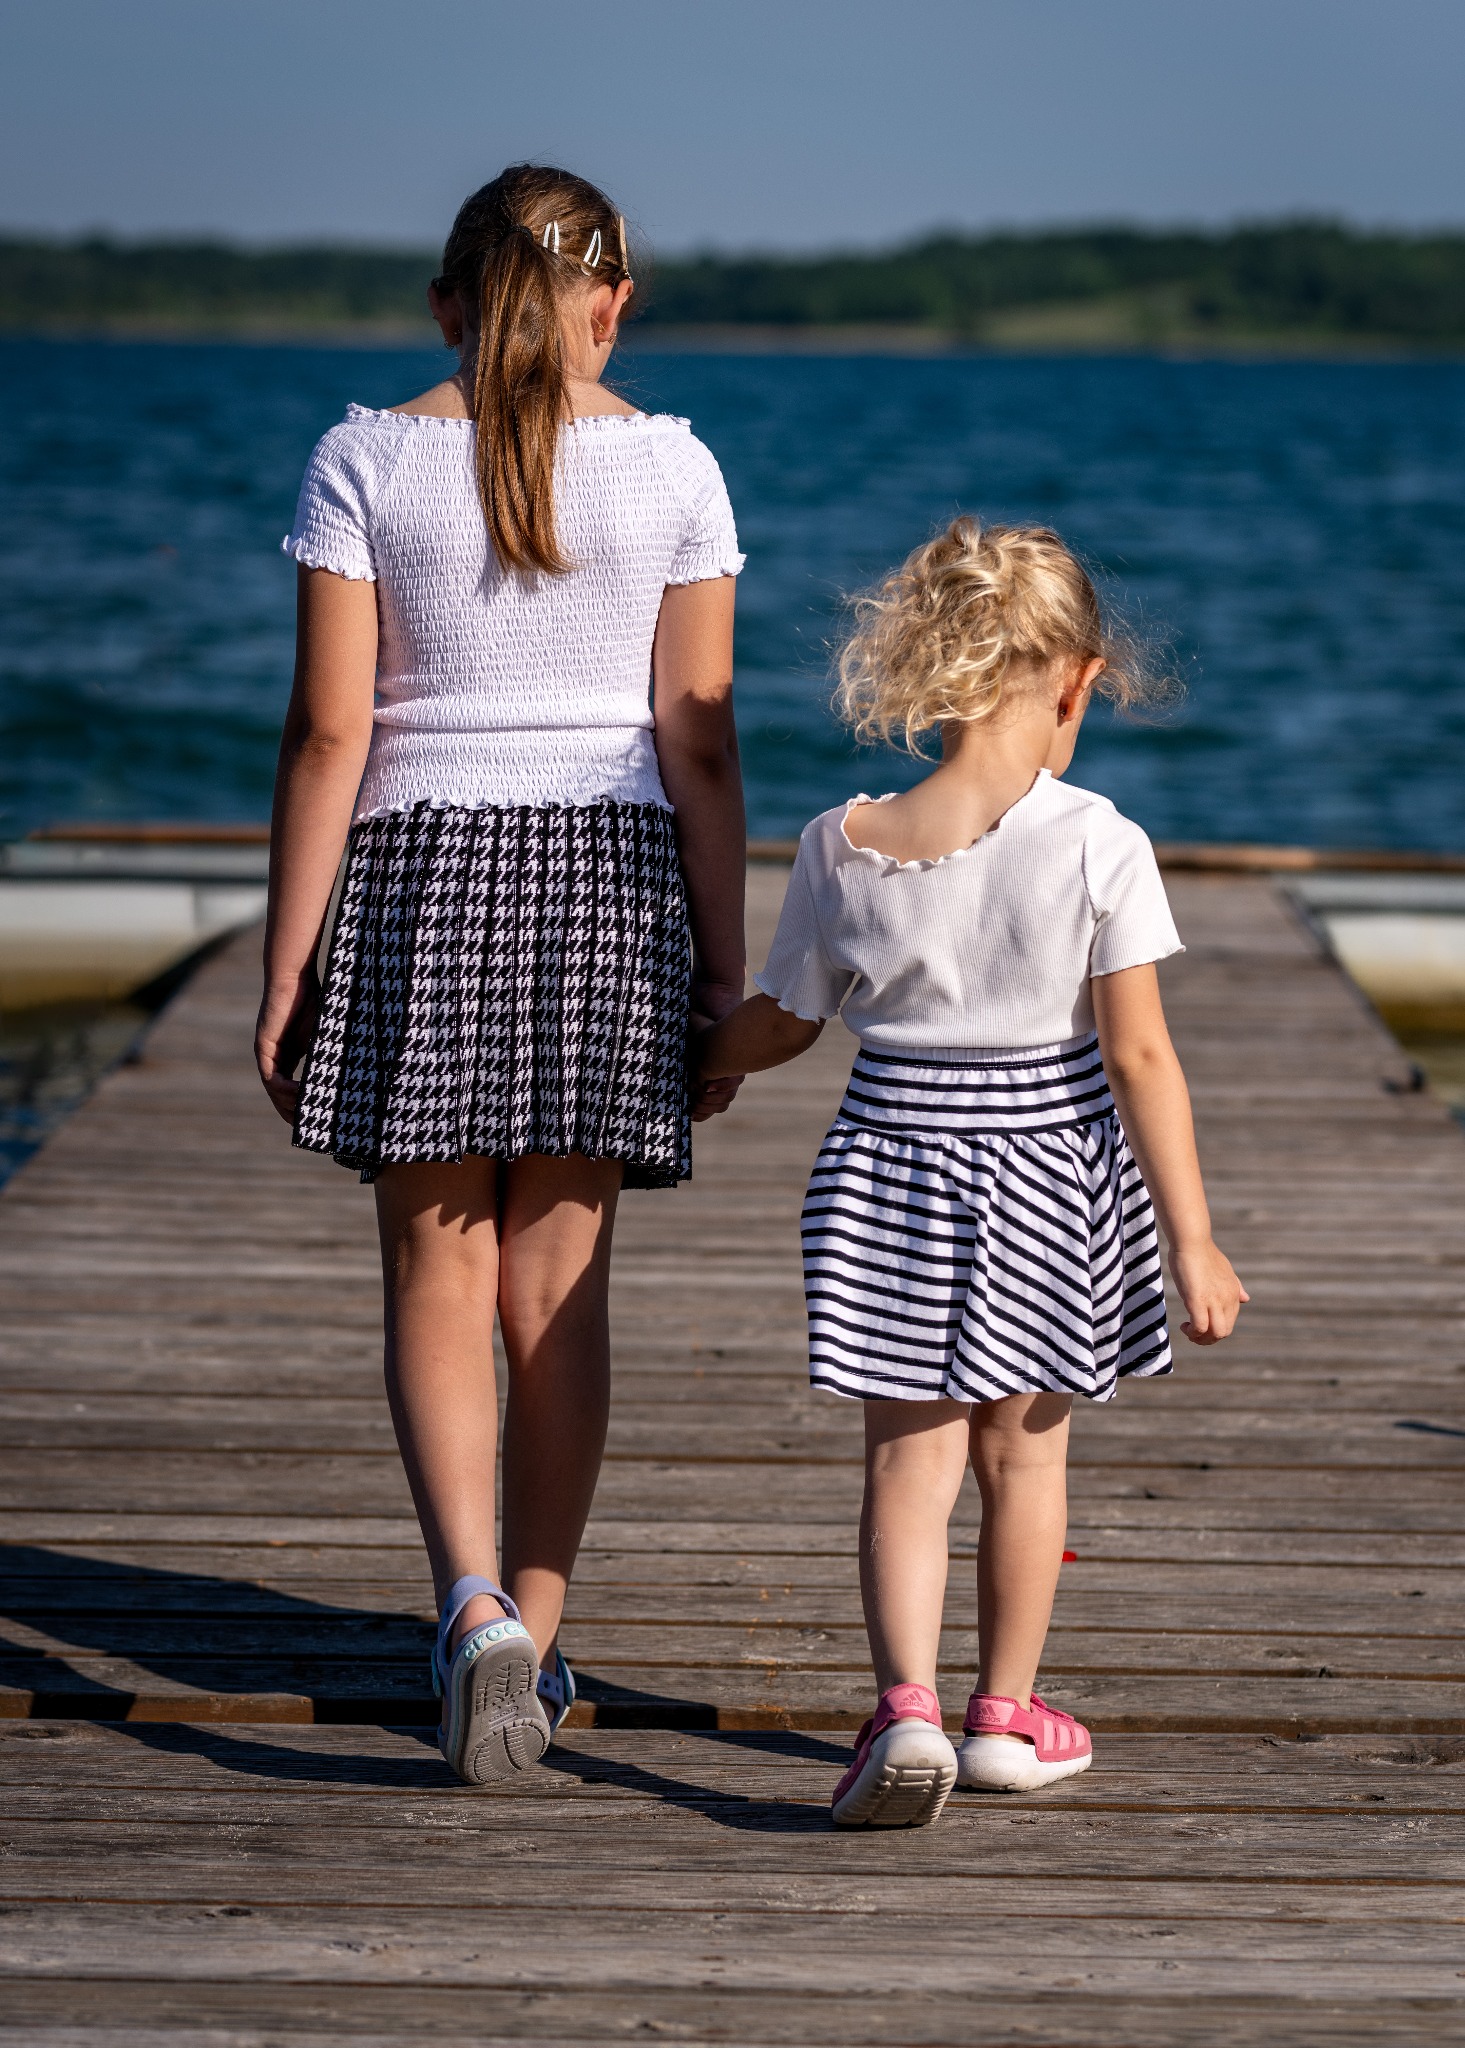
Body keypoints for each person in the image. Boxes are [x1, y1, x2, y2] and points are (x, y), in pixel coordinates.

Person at [256, 165, 746, 1786]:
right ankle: (537, 1618)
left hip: (418, 876)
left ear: (446, 306)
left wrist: (286, 963)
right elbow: (701, 743)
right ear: (615, 302)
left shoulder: (362, 459)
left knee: (437, 1278)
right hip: (608, 881)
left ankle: (466, 1610)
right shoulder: (676, 469)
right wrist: (725, 963)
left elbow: (332, 733)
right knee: (557, 1292)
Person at [697, 518, 1245, 1828]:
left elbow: (783, 1020)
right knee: (1025, 1461)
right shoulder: (1098, 840)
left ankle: (902, 1714)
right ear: (1072, 681)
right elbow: (1142, 1059)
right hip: (1052, 1174)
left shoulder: (846, 840)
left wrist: (698, 1064)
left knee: (905, 1462)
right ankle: (1005, 1711)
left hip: (886, 1166)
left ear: (931, 667)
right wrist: (1191, 1240)